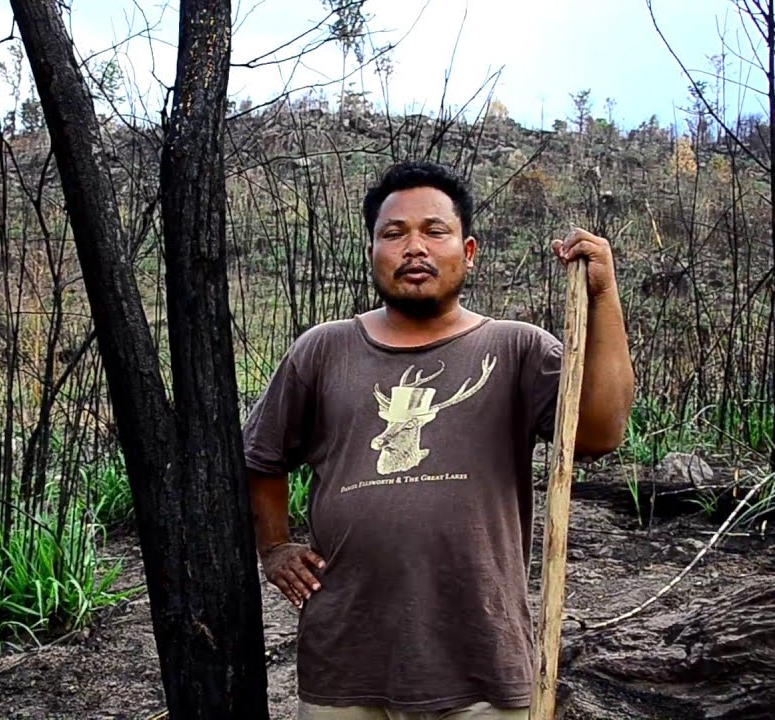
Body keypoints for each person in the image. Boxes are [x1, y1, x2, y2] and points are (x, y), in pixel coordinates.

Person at [241, 160, 635, 720]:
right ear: (372, 250)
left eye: (434, 231)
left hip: (482, 664)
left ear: (468, 252)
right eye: (393, 233)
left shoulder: (518, 349)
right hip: (344, 661)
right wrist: (275, 547)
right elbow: (262, 455)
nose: (414, 248)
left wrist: (604, 295)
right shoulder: (322, 350)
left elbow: (600, 433)